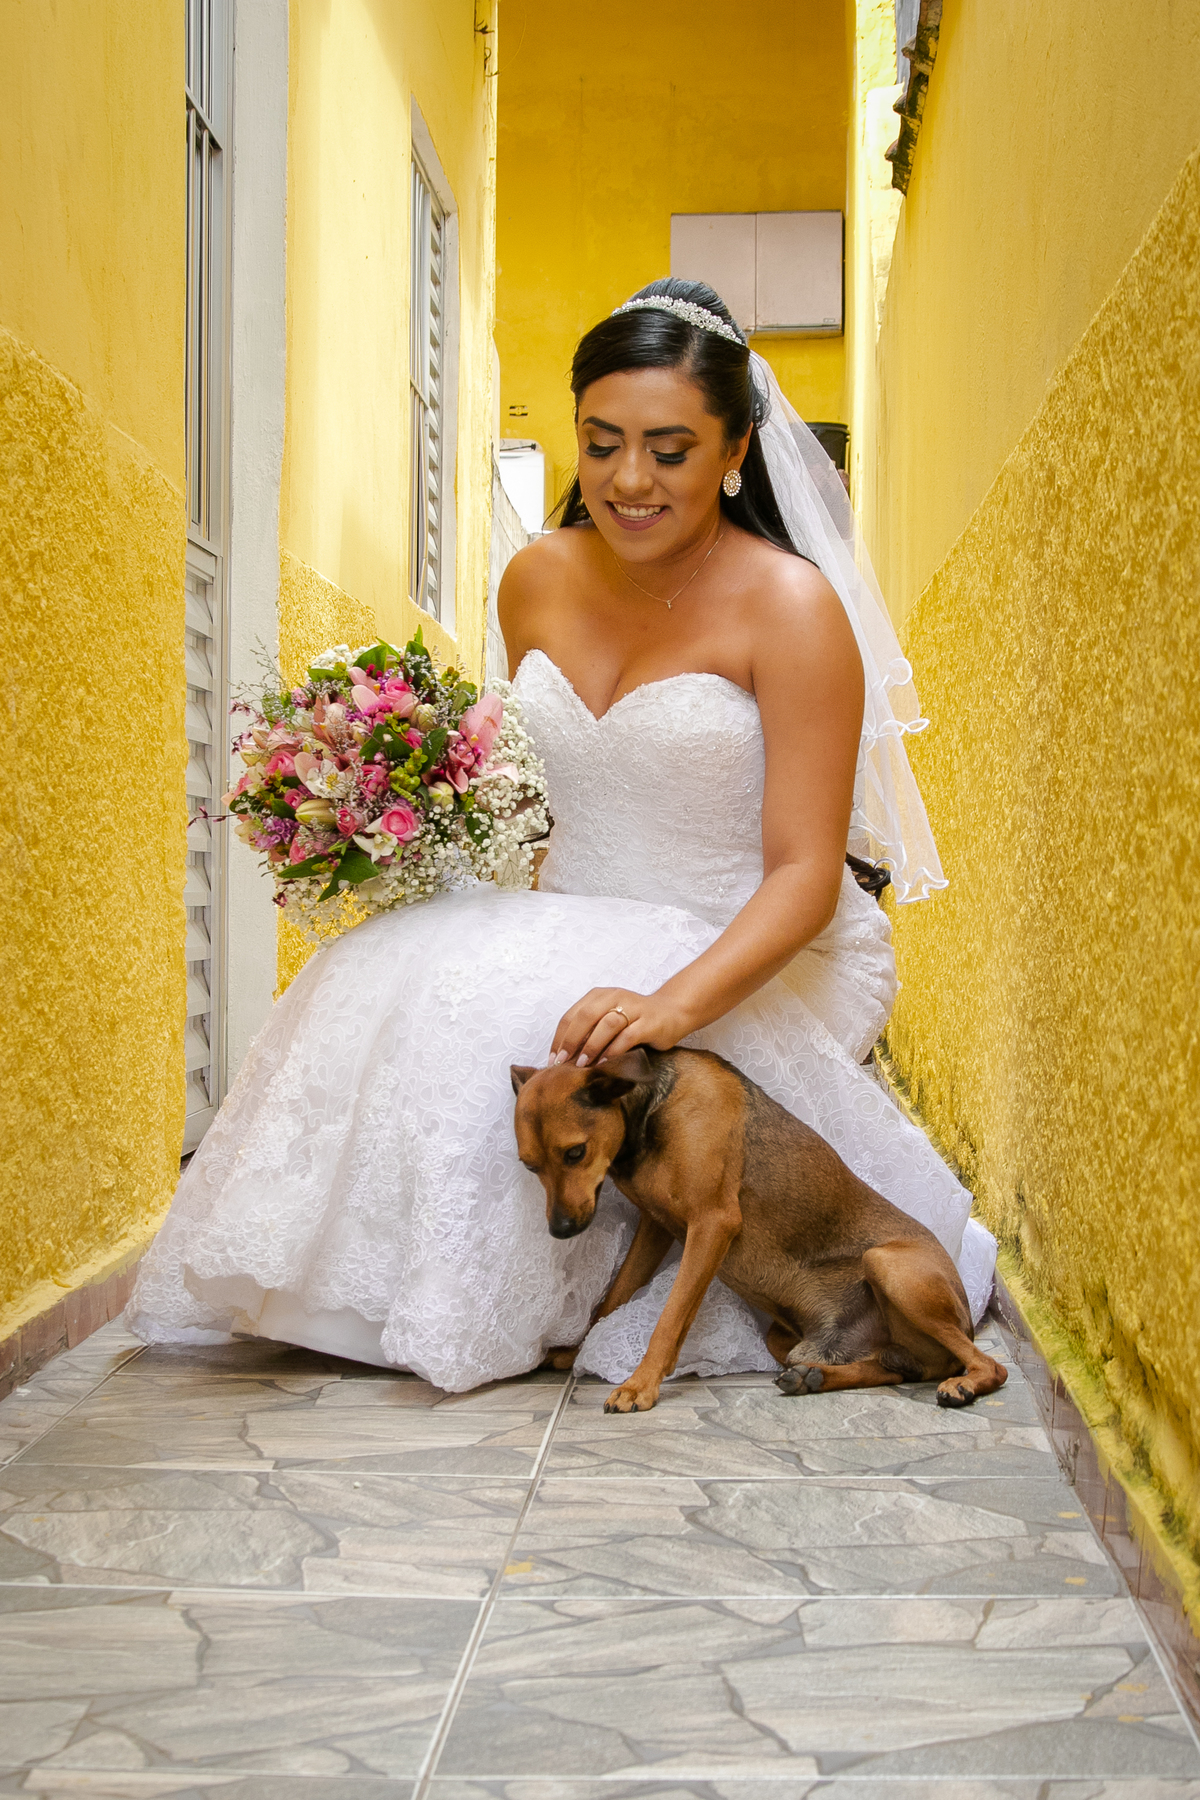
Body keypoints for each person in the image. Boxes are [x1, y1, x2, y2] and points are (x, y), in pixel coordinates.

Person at [129, 278, 996, 1390]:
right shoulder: (533, 578)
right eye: (602, 443)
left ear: (736, 450)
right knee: (397, 973)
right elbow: (539, 803)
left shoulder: (792, 608)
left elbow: (804, 872)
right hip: (573, 906)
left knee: (563, 1033)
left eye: (671, 450)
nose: (630, 480)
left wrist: (670, 1003)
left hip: (748, 936)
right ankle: (368, 1291)